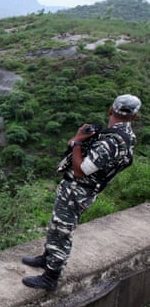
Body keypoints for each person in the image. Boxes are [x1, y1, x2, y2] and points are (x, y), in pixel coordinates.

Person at [22, 94, 141, 291]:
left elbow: (80, 170)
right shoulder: (124, 137)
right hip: (79, 190)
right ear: (134, 117)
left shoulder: (111, 142)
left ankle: (51, 277)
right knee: (56, 225)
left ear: (111, 110)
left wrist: (77, 142)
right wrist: (80, 141)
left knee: (62, 230)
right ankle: (47, 258)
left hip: (78, 191)